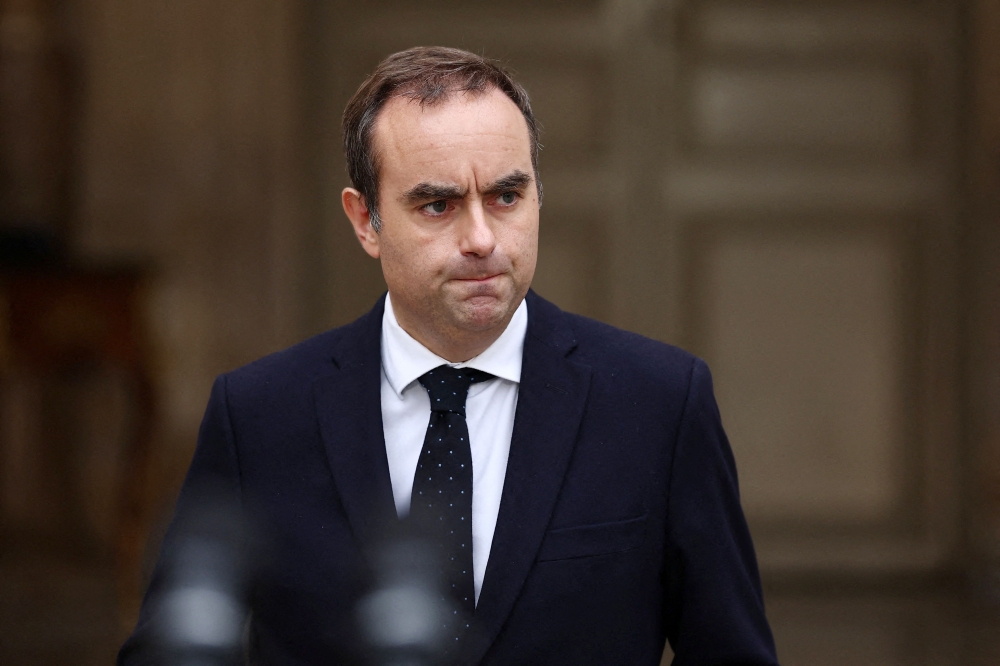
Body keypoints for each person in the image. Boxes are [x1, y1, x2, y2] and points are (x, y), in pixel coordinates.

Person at [119, 46, 778, 666]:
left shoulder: (658, 403)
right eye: (437, 204)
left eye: (507, 196)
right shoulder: (259, 414)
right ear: (365, 221)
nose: (482, 238)